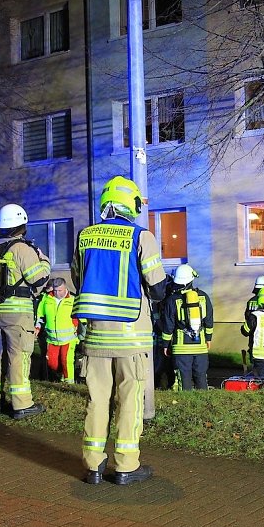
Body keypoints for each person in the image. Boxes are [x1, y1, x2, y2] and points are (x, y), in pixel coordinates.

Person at [71, 175, 167, 486]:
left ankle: (93, 467)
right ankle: (126, 466)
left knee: (97, 401)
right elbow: (158, 286)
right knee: (130, 401)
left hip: (95, 337)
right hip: (131, 337)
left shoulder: (85, 236)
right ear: (133, 204)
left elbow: (77, 279)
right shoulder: (142, 236)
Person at [0, 203, 51, 420]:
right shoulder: (22, 249)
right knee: (19, 357)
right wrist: (44, 260)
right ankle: (21, 404)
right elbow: (39, 279)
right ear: (22, 225)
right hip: (17, 315)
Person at [159, 264, 214, 391]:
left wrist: (165, 345)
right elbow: (209, 321)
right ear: (191, 279)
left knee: (184, 382)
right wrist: (208, 338)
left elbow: (168, 326)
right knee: (201, 379)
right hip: (200, 348)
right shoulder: (204, 297)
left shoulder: (172, 300)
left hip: (180, 349)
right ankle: (204, 406)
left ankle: (186, 404)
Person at [35, 277, 78, 384]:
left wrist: (81, 330)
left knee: (66, 361)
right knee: (52, 363)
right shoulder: (46, 299)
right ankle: (61, 374)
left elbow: (80, 318)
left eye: (60, 290)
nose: (57, 293)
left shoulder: (73, 299)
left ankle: (69, 383)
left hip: (69, 339)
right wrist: (37, 327)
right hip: (51, 339)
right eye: (55, 290)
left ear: (65, 288)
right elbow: (40, 315)